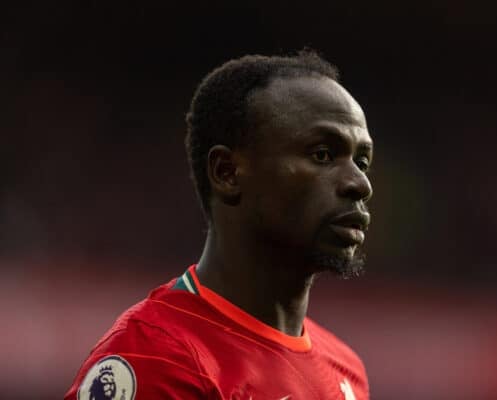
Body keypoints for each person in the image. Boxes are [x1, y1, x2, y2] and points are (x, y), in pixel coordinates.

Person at [65, 50, 374, 399]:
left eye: (362, 161)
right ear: (227, 172)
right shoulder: (157, 359)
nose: (360, 184)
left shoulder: (345, 369)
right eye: (322, 154)